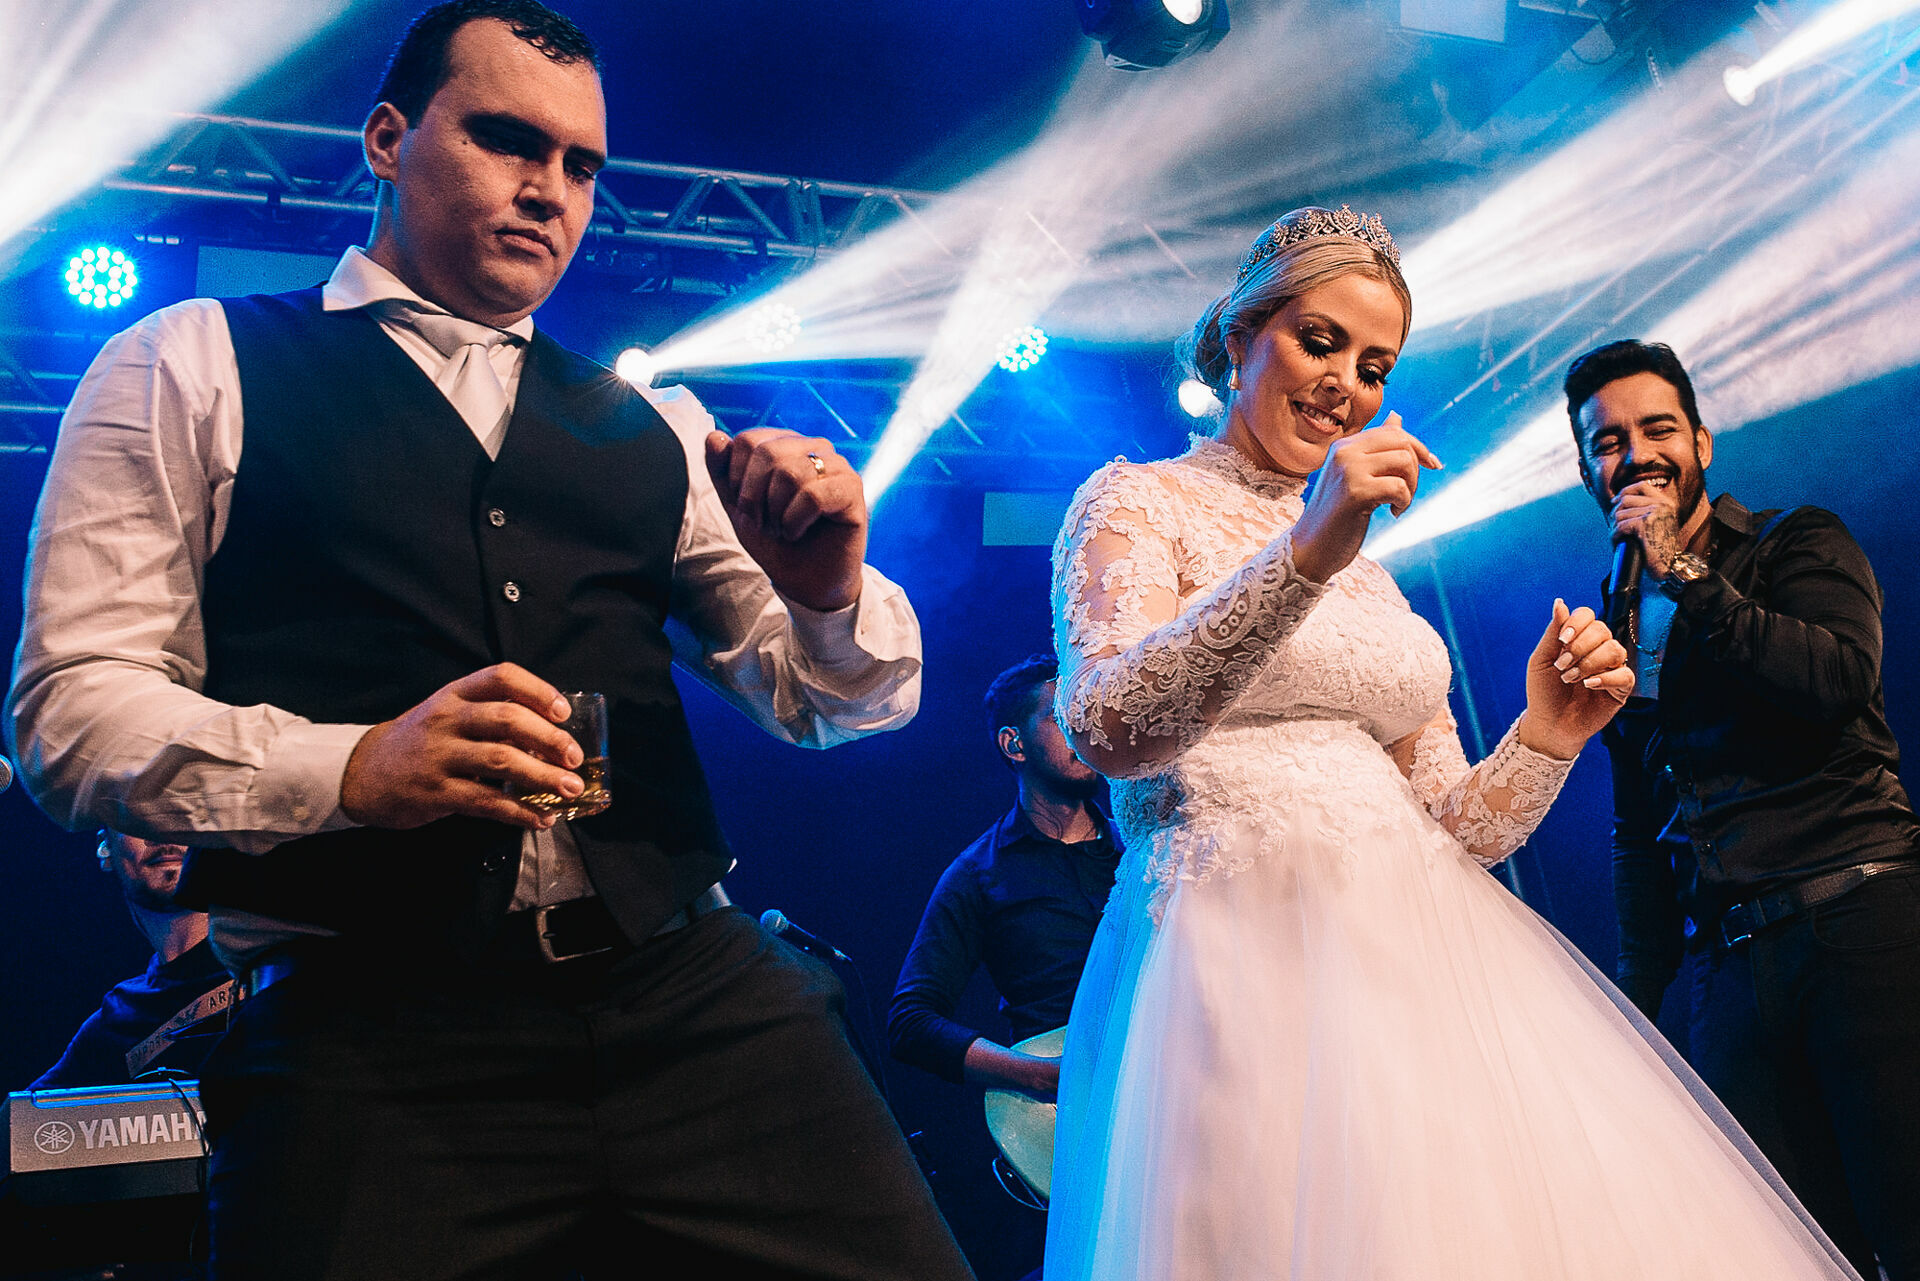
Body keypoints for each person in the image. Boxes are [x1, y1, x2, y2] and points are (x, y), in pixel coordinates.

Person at [4, 3, 971, 1278]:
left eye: (581, 165)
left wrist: (827, 589)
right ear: (389, 139)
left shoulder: (653, 423)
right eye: (510, 141)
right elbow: (68, 709)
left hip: (691, 997)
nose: (550, 191)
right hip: (372, 1027)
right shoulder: (189, 363)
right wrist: (351, 768)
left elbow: (826, 700)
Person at [1041, 206, 1859, 1280]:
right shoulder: (1135, 501)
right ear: (1240, 337)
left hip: (1423, 968)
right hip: (1236, 950)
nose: (1348, 384)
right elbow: (1111, 728)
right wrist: (1302, 554)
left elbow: (1460, 830)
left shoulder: (1373, 574)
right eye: (1320, 341)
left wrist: (1548, 734)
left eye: (1376, 364)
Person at [1568, 338, 1920, 1281]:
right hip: (1730, 975)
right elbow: (1639, 829)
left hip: (1860, 921)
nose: (1634, 455)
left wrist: (1685, 573)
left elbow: (1839, 679)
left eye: (1657, 430)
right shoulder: (1613, 623)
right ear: (1586, 471)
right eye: (1608, 442)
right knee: (1787, 1254)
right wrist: (1636, 1005)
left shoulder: (1798, 541)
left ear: (1702, 443)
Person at [889, 654, 1120, 1100]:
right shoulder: (977, 874)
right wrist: (1036, 1075)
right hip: (1060, 1110)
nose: (1086, 729)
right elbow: (911, 1022)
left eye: (1087, 712)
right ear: (1014, 744)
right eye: (1062, 717)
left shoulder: (1139, 850)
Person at [32, 831, 234, 1089]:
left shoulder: (268, 966)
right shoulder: (113, 1024)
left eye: (177, 816)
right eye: (137, 820)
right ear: (105, 849)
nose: (162, 833)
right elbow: (20, 1120)